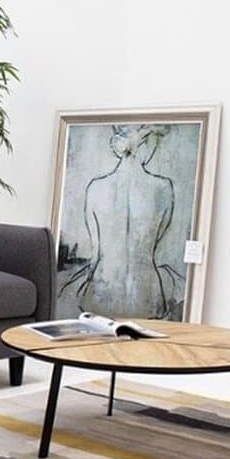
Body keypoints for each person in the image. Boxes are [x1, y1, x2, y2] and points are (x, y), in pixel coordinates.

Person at [62, 124, 183, 318]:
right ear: (144, 146)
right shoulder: (164, 188)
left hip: (101, 290)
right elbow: (156, 242)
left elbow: (96, 254)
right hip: (147, 295)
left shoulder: (95, 188)